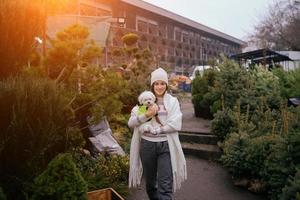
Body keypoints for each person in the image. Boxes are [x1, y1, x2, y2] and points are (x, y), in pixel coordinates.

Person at [128, 67, 187, 200]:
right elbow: (131, 123)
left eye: (162, 83)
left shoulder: (172, 102)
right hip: (147, 146)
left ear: (166, 84)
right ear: (152, 85)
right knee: (150, 184)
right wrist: (147, 114)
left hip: (166, 145)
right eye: (156, 83)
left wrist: (159, 130)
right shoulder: (145, 103)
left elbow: (176, 123)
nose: (159, 87)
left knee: (165, 186)